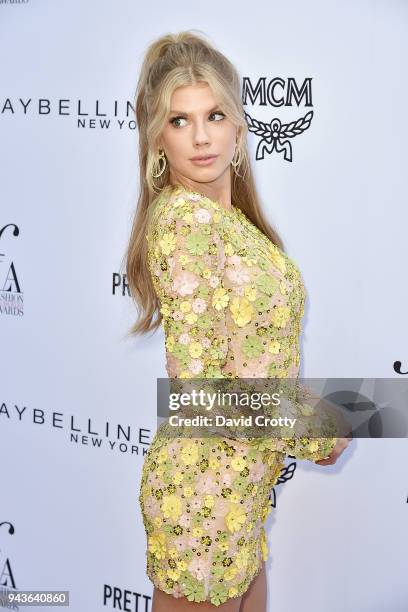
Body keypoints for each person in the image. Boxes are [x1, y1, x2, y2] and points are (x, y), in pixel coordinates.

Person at [124, 30, 351, 611]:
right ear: (156, 140)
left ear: (239, 127)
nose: (201, 137)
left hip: (240, 491)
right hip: (205, 501)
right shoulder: (184, 222)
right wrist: (319, 429)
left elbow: (255, 365)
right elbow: (201, 393)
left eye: (215, 115)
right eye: (178, 121)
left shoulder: (234, 224)